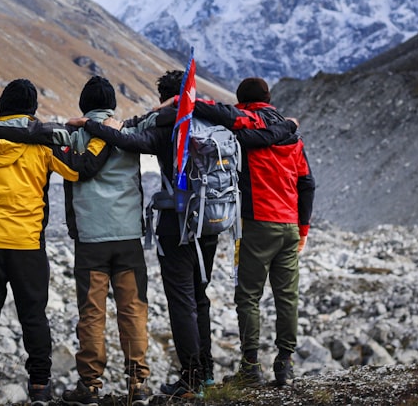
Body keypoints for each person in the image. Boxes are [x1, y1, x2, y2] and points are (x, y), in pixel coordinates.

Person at [81, 71, 299, 397]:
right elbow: (263, 135)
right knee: (200, 297)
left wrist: (90, 125)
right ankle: (206, 373)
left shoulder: (170, 127)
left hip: (176, 226)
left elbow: (129, 140)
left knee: (181, 301)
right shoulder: (217, 125)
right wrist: (291, 125)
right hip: (211, 222)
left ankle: (191, 379)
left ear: (165, 98)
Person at [0, 76, 153, 406]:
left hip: (91, 240)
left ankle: (89, 385)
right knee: (133, 310)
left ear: (83, 106)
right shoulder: (128, 134)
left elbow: (36, 134)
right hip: (129, 238)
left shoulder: (73, 136)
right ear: (112, 106)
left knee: (91, 313)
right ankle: (138, 383)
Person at [0, 79, 111, 405]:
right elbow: (81, 169)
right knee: (34, 317)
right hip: (27, 245)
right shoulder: (42, 144)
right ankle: (40, 387)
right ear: (32, 110)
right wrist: (101, 139)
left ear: (1, 106)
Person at [191, 77, 315, 387]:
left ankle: (250, 367)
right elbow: (307, 183)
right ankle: (285, 364)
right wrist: (303, 229)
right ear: (269, 98)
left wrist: (184, 100)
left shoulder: (249, 120)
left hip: (257, 222)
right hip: (289, 225)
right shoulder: (293, 137)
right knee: (287, 297)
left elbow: (212, 111)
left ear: (243, 101)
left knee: (248, 297)